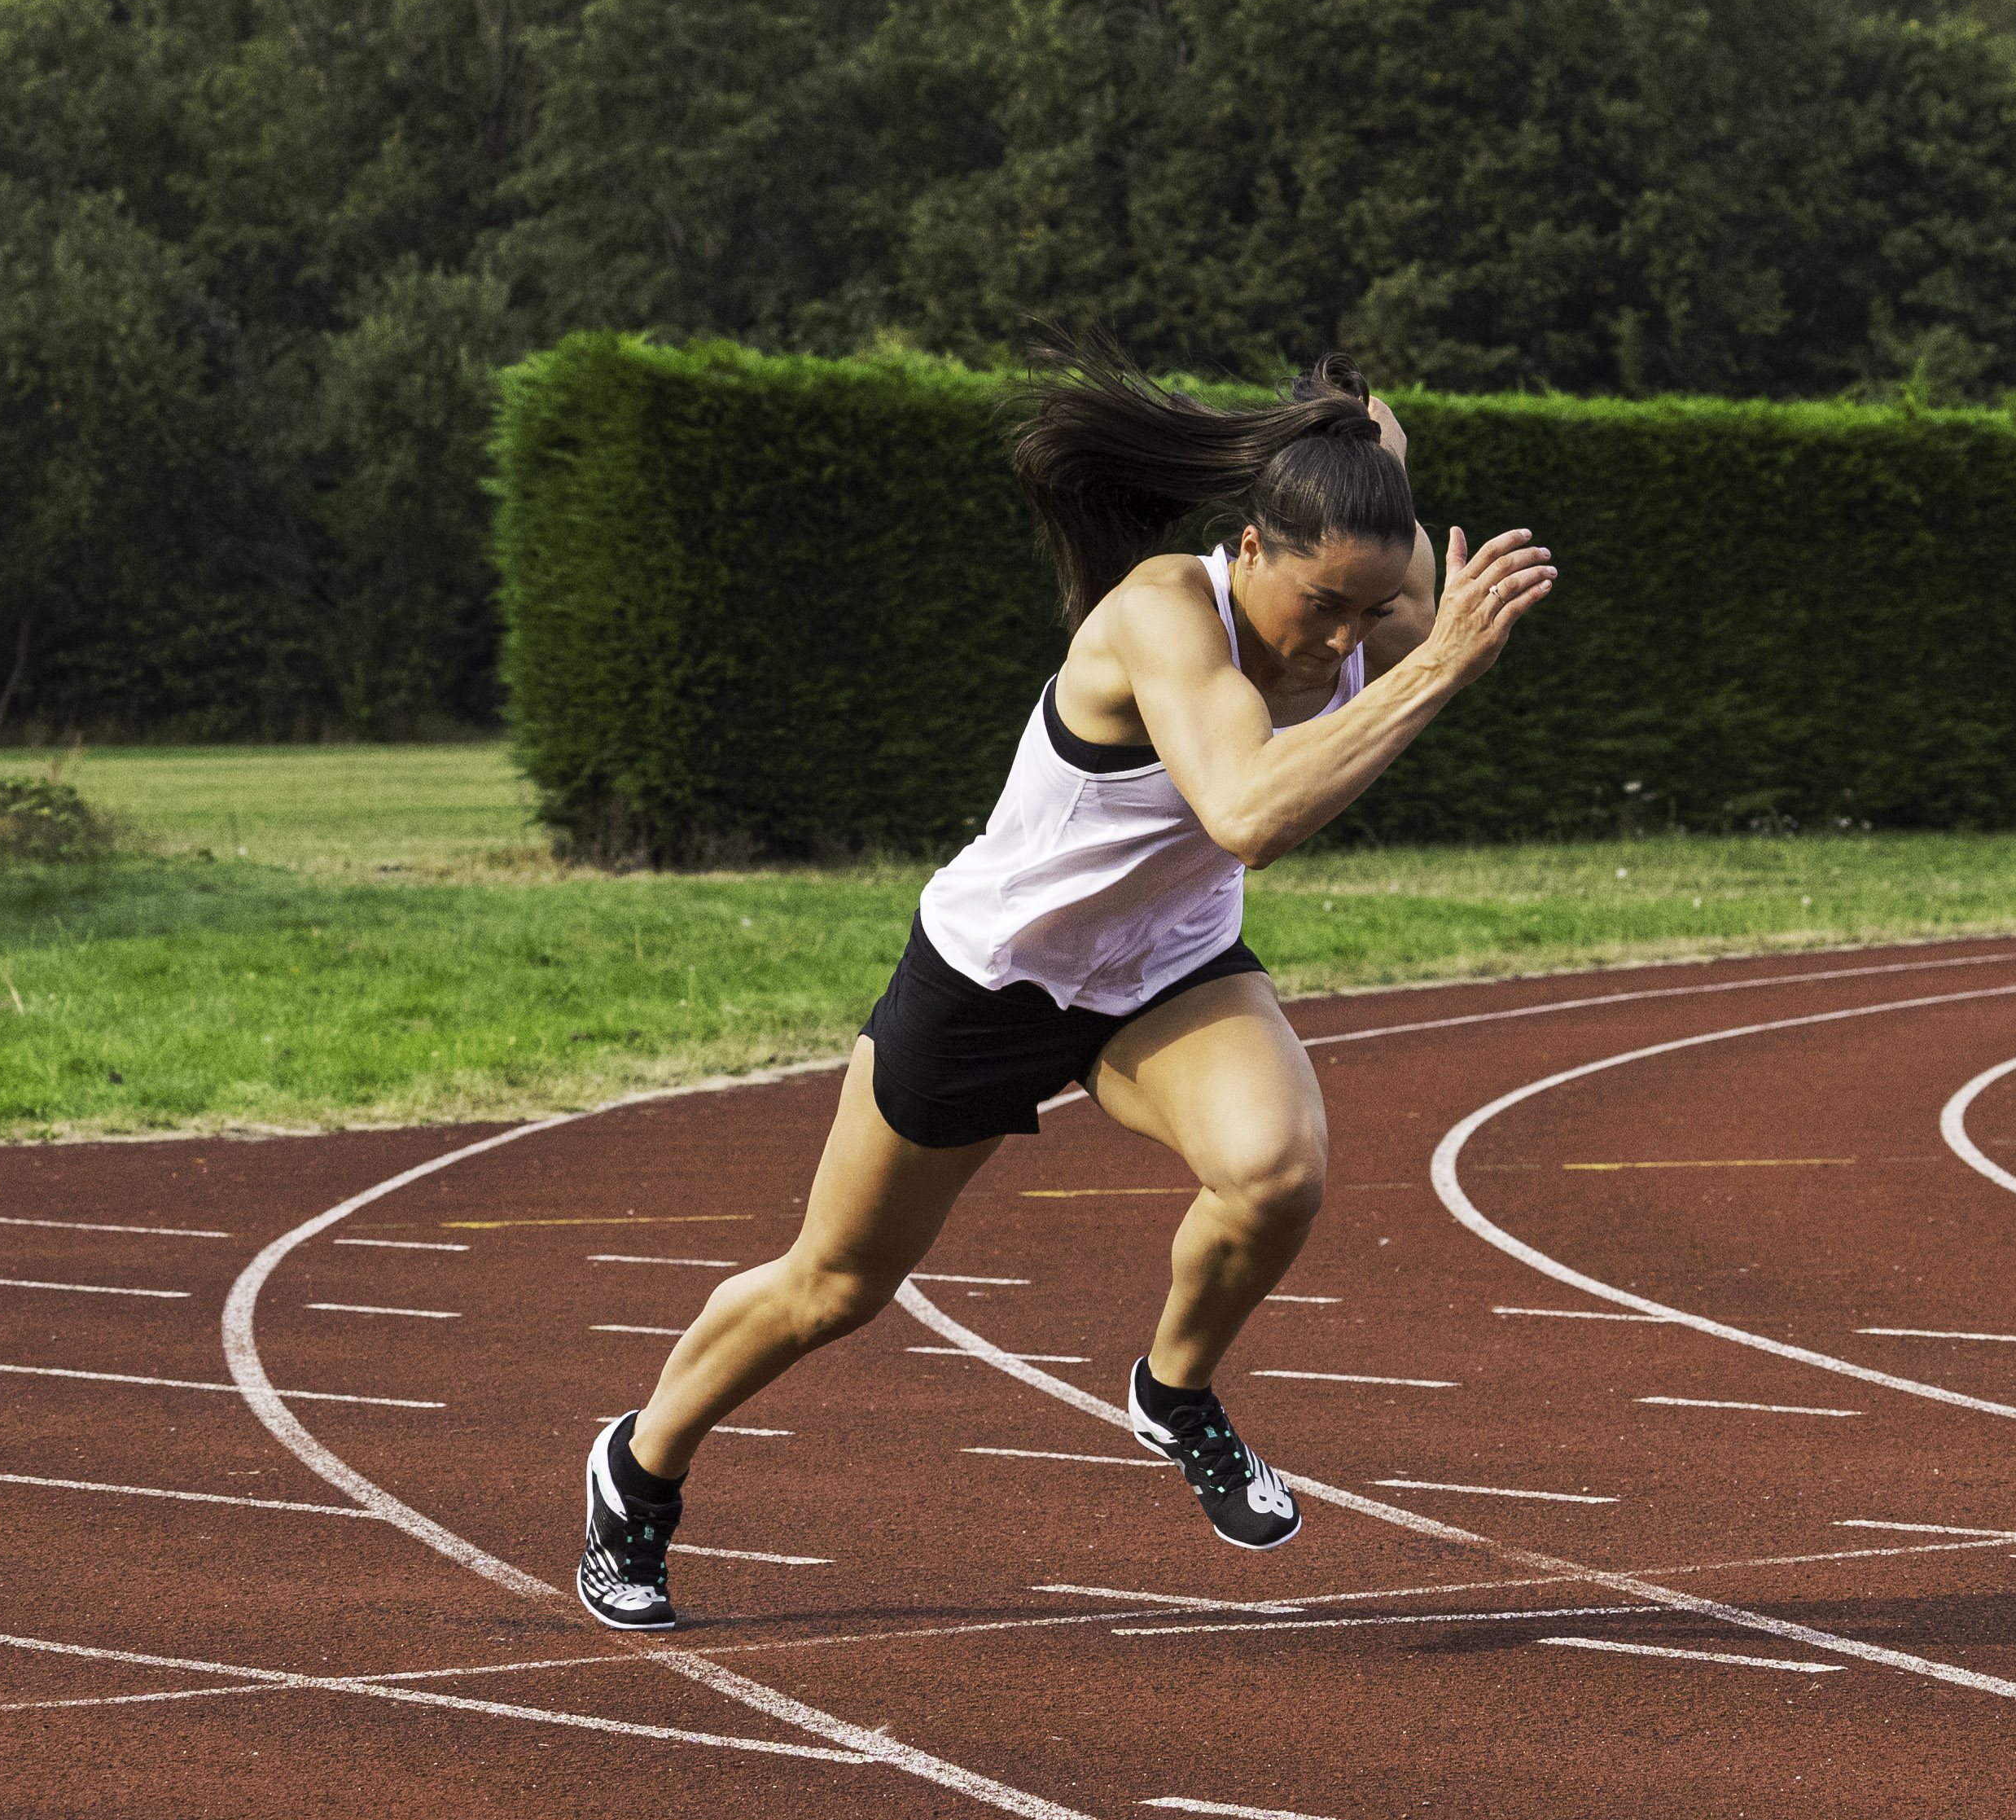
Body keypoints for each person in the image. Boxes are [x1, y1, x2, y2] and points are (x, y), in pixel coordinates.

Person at [571, 350, 1557, 1630]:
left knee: (1278, 1171)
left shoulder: (1381, 604)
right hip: (997, 978)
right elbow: (1248, 810)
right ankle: (638, 1470)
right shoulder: (1164, 610)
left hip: (1163, 968)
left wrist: (1391, 480)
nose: (1343, 640)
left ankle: (1173, 1388)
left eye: (1372, 613)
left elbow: (1388, 559)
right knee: (836, 1286)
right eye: (1322, 604)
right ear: (1249, 544)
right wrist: (1435, 671)